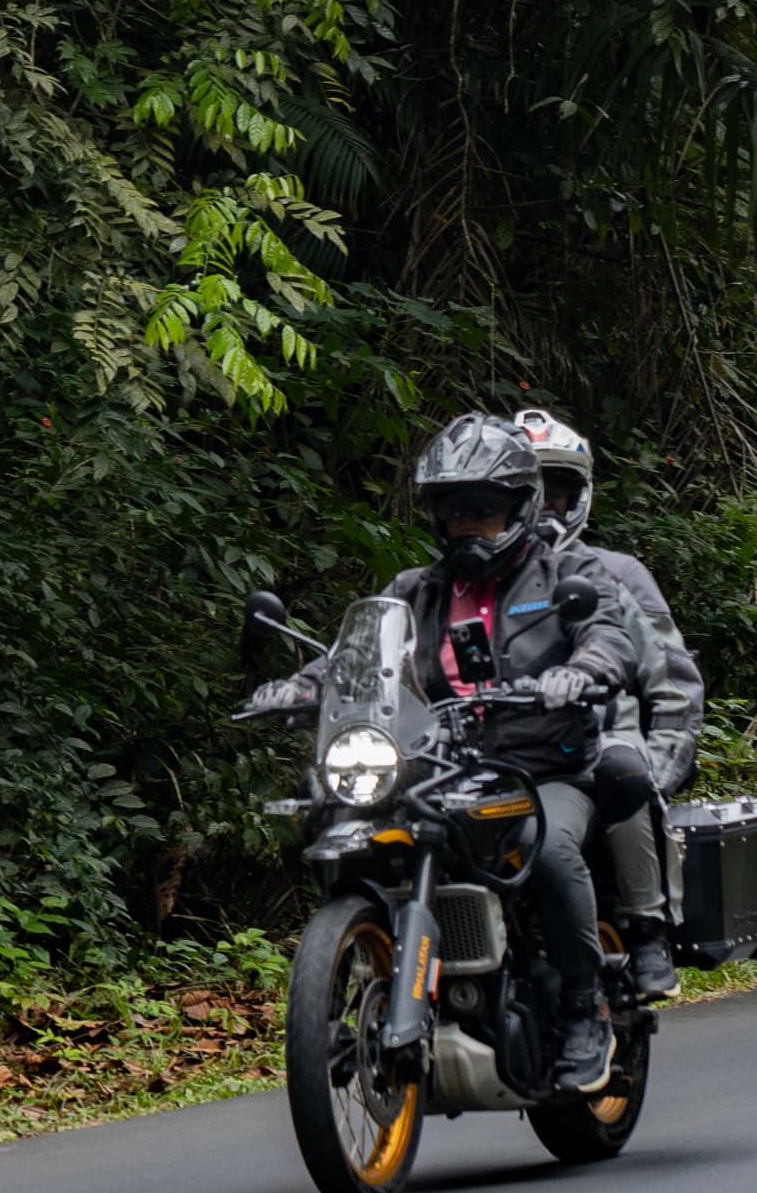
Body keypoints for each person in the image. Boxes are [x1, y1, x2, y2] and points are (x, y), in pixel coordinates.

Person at [249, 413, 643, 1090]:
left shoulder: (566, 572)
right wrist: (299, 686)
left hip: (544, 767)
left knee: (549, 850)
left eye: (482, 510)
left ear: (520, 506)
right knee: (334, 815)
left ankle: (587, 1008)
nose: (466, 525)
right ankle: (359, 975)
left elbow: (610, 635)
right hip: (438, 769)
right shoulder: (416, 590)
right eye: (454, 510)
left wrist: (581, 671)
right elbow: (353, 659)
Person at [516, 407, 705, 1004]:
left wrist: (660, 774)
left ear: (579, 496)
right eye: (529, 492)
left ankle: (648, 930)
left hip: (600, 741)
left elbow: (675, 685)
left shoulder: (616, 573)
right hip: (499, 749)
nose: (544, 507)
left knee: (623, 768)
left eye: (556, 491)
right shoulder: (467, 585)